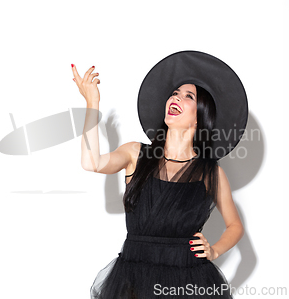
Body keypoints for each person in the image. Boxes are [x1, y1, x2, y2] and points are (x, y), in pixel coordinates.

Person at [71, 51, 248, 298]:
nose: (176, 97)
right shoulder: (135, 154)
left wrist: (215, 250)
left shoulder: (210, 172)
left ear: (199, 116)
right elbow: (91, 162)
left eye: (188, 96)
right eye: (174, 93)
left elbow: (235, 225)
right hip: (133, 278)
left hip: (187, 279)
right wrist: (92, 103)